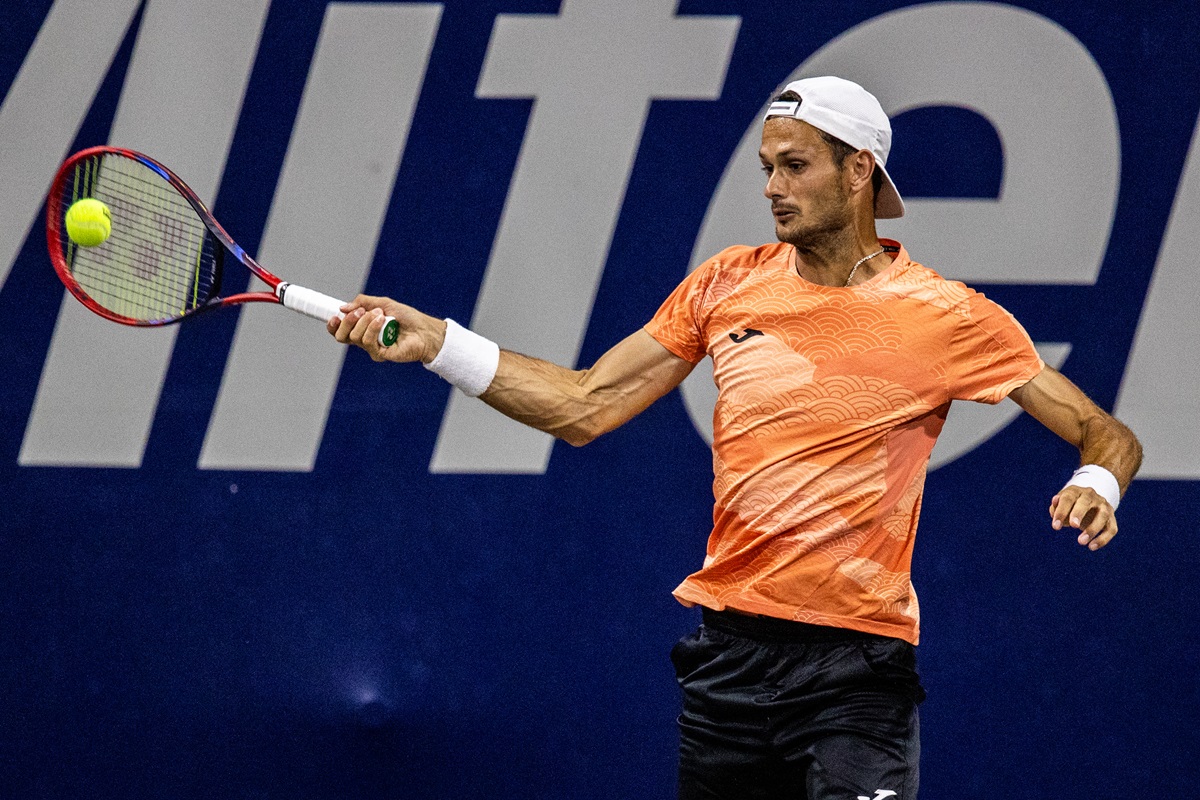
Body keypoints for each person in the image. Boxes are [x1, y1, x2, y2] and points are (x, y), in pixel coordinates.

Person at [328, 76, 1143, 800]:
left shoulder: (949, 316)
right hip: (729, 667)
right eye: (767, 167)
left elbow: (1103, 433)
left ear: (859, 169)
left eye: (795, 165)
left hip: (857, 674)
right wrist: (439, 344)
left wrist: (1096, 482)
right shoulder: (727, 283)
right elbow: (584, 405)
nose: (773, 188)